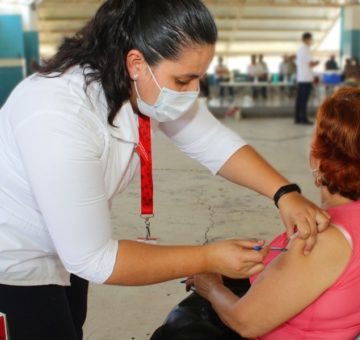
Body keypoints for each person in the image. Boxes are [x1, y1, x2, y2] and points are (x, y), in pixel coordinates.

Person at [0, 1, 329, 339]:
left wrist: (284, 193)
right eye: (184, 80)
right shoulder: (58, 118)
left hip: (64, 250)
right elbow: (94, 258)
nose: (192, 92)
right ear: (136, 62)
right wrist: (208, 258)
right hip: (15, 258)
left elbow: (213, 142)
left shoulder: (137, 85)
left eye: (198, 79)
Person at [156, 87, 360, 339]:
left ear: (318, 157)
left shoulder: (321, 241)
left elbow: (244, 322)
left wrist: (211, 287)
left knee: (175, 330)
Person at [294, 32, 319, 125]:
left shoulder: (300, 49)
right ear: (306, 39)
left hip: (301, 78)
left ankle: (297, 118)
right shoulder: (306, 49)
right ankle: (303, 118)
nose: (311, 41)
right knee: (304, 100)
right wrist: (317, 63)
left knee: (299, 99)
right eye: (310, 39)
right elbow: (310, 64)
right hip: (306, 78)